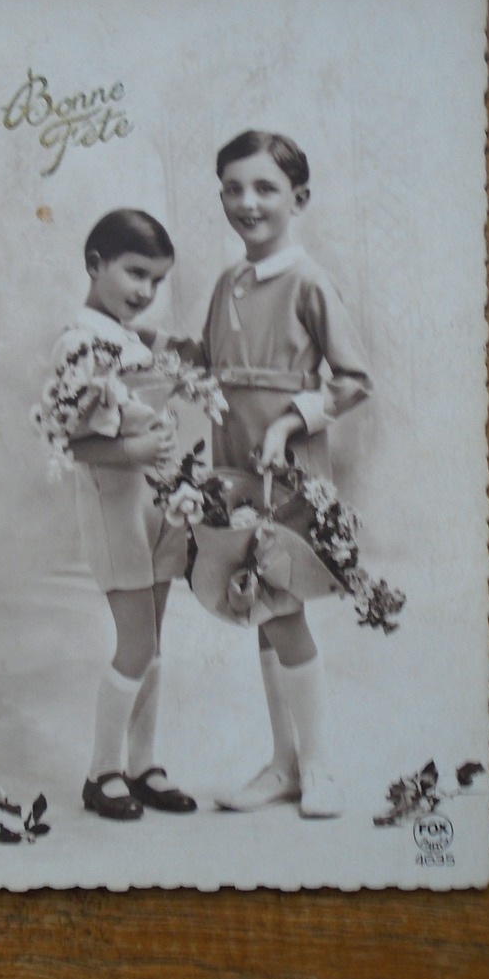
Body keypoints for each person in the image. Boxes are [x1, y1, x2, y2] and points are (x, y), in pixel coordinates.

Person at [201, 131, 373, 819]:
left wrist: (287, 423)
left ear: (298, 199)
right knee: (262, 612)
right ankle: (284, 765)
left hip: (287, 469)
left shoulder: (307, 280)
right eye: (234, 188)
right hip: (234, 467)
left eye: (265, 188)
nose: (248, 201)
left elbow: (354, 380)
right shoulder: (227, 283)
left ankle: (319, 766)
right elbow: (209, 361)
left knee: (285, 609)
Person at [33, 209, 199, 822]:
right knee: (135, 643)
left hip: (157, 507)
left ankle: (143, 764)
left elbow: (161, 352)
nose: (145, 292)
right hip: (115, 510)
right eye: (135, 274)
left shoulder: (127, 336)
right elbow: (68, 438)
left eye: (156, 281)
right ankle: (101, 772)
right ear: (95, 264)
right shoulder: (78, 343)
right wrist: (131, 450)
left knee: (153, 644)